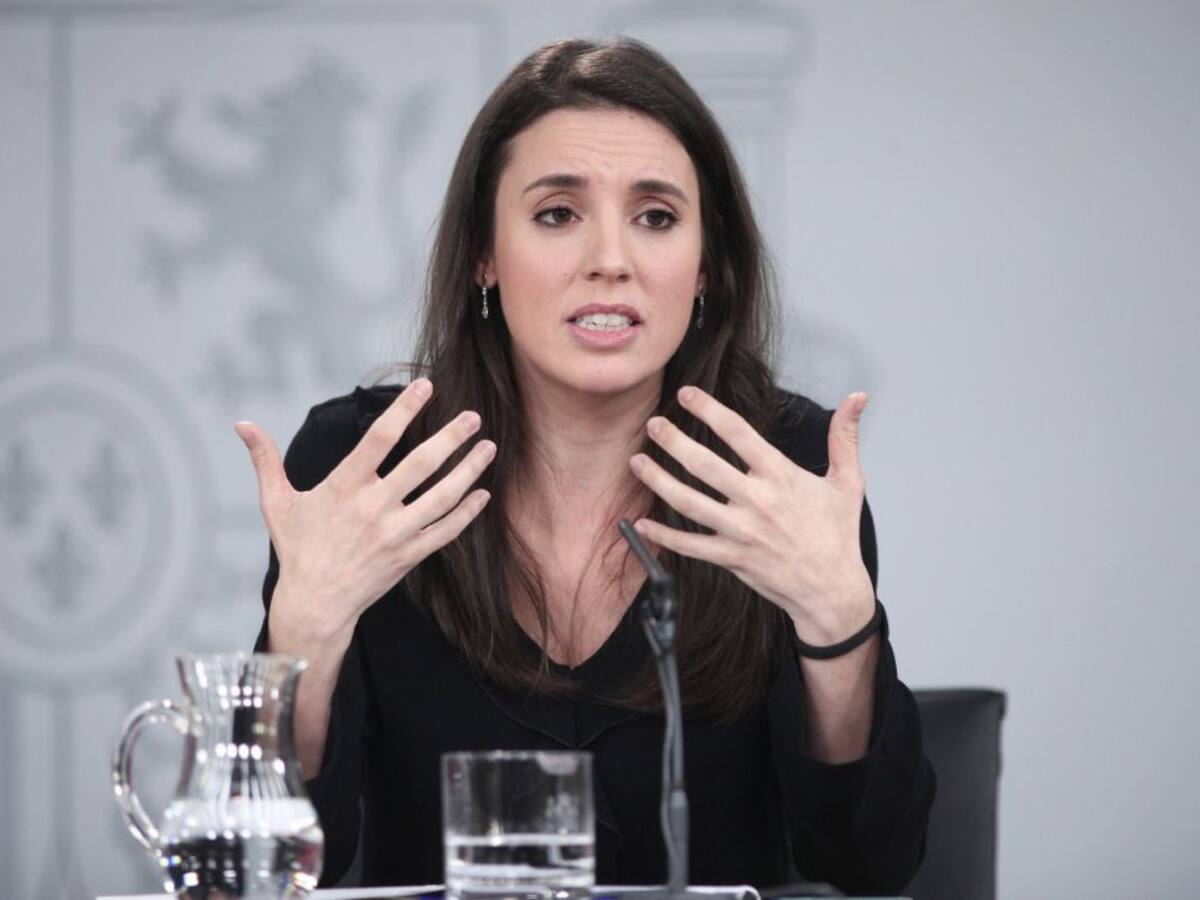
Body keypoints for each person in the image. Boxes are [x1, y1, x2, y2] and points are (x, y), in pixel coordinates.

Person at [237, 36, 935, 894]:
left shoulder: (784, 473)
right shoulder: (367, 470)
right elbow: (267, 870)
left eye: (656, 217)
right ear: (484, 254)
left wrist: (841, 625)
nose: (611, 259)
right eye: (558, 214)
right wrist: (303, 634)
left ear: (707, 266)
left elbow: (870, 865)